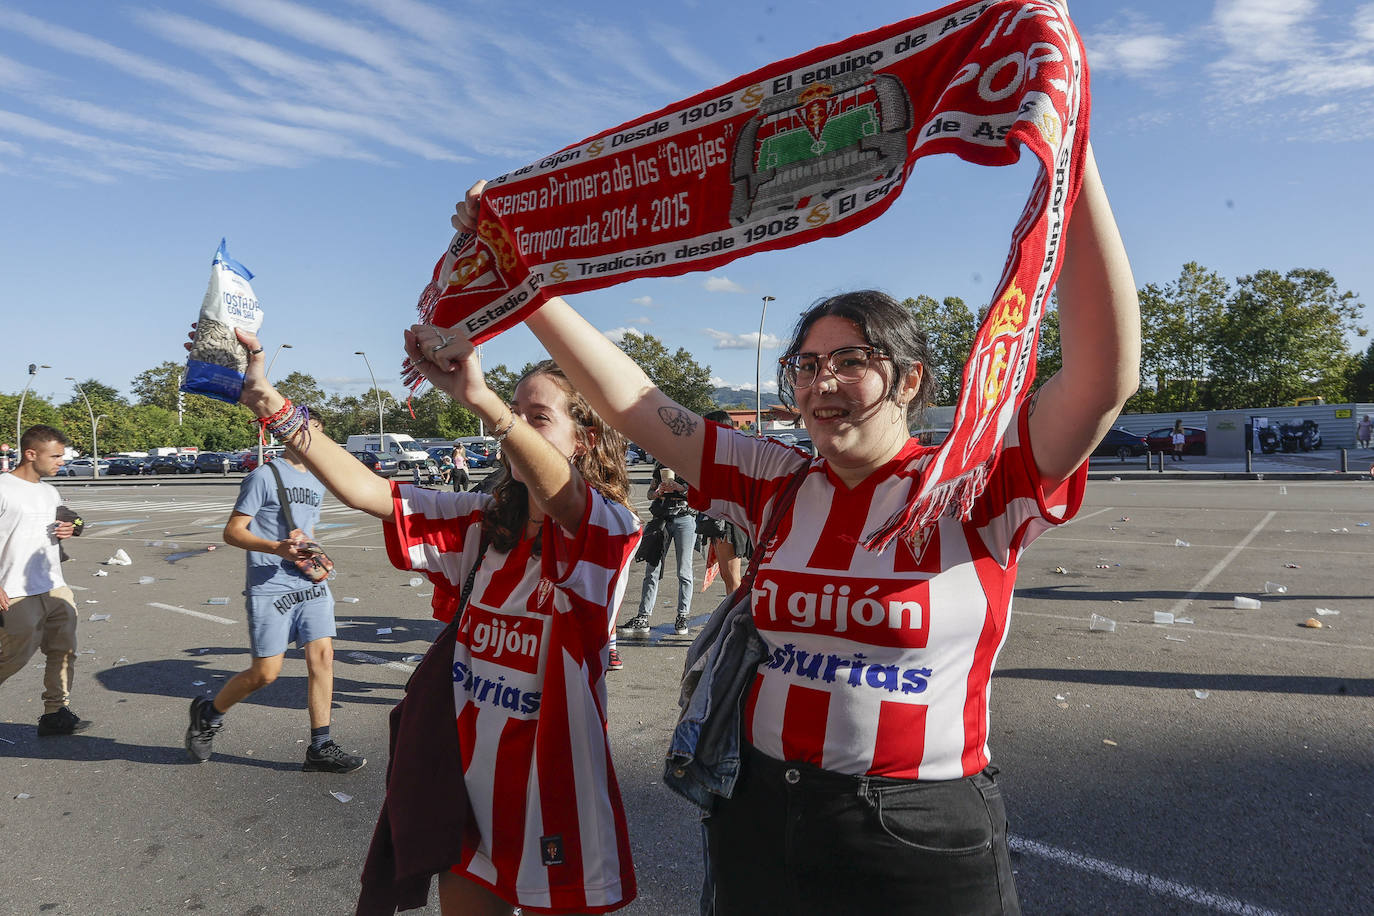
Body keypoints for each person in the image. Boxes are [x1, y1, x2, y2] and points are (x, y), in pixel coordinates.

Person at [445, 140, 1139, 913]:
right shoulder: (777, 480)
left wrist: (1071, 144)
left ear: (908, 379)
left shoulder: (973, 485)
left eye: (848, 361)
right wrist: (522, 274)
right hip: (761, 809)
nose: (821, 384)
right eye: (805, 367)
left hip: (915, 832)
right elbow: (636, 403)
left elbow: (1103, 377)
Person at [202, 327, 641, 915]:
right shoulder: (484, 519)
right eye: (514, 412)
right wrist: (269, 403)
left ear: (584, 441)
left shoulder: (607, 528)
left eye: (537, 417)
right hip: (461, 772)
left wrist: (483, 403)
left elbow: (563, 498)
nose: (512, 426)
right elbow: (371, 493)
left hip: (550, 783)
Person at [184, 414, 365, 773]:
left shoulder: (319, 477)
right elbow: (232, 532)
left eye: (318, 435)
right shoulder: (264, 476)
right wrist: (276, 548)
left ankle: (320, 746)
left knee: (323, 659)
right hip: (270, 586)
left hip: (310, 582)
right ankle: (208, 714)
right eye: (307, 433)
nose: (312, 441)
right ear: (289, 434)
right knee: (266, 673)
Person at [0, 425, 90, 737]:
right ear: (30, 454)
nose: (61, 462)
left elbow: (77, 518)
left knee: (64, 650)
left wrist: (72, 527)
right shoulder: (3, 489)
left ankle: (55, 713)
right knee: (12, 656)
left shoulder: (49, 491)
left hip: (54, 585)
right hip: (14, 590)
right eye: (55, 456)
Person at [619, 464, 695, 637]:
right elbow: (649, 493)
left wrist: (680, 488)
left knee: (684, 571)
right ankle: (643, 616)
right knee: (652, 568)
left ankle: (683, 616)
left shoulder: (690, 463)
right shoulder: (661, 465)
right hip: (661, 519)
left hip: (685, 519)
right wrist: (658, 492)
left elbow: (700, 495)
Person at [693, 410, 753, 595]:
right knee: (728, 577)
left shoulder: (731, 456)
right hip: (720, 523)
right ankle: (733, 616)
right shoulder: (721, 454)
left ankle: (736, 618)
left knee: (732, 578)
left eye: (708, 425)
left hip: (729, 524)